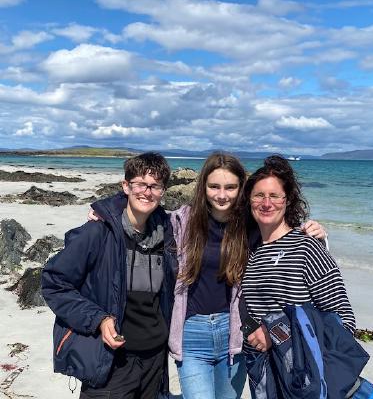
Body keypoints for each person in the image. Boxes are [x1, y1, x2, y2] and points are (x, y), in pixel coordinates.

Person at [88, 152, 327, 399]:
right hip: (192, 335)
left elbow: (280, 229)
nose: (222, 195)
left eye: (230, 187)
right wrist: (107, 210)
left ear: (241, 189)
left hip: (233, 335)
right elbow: (143, 204)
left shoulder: (250, 227)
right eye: (214, 186)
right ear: (203, 187)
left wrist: (316, 231)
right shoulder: (181, 221)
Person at [41, 152, 177, 399]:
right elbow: (54, 282)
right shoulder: (97, 233)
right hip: (111, 359)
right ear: (126, 186)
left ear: (163, 191)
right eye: (140, 184)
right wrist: (98, 319)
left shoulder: (168, 233)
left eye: (155, 186)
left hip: (155, 360)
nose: (147, 192)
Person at [240, 155, 356, 398]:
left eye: (275, 196)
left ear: (288, 200)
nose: (266, 203)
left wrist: (275, 333)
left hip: (305, 375)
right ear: (249, 200)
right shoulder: (250, 251)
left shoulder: (307, 247)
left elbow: (343, 321)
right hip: (264, 372)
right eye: (259, 195)